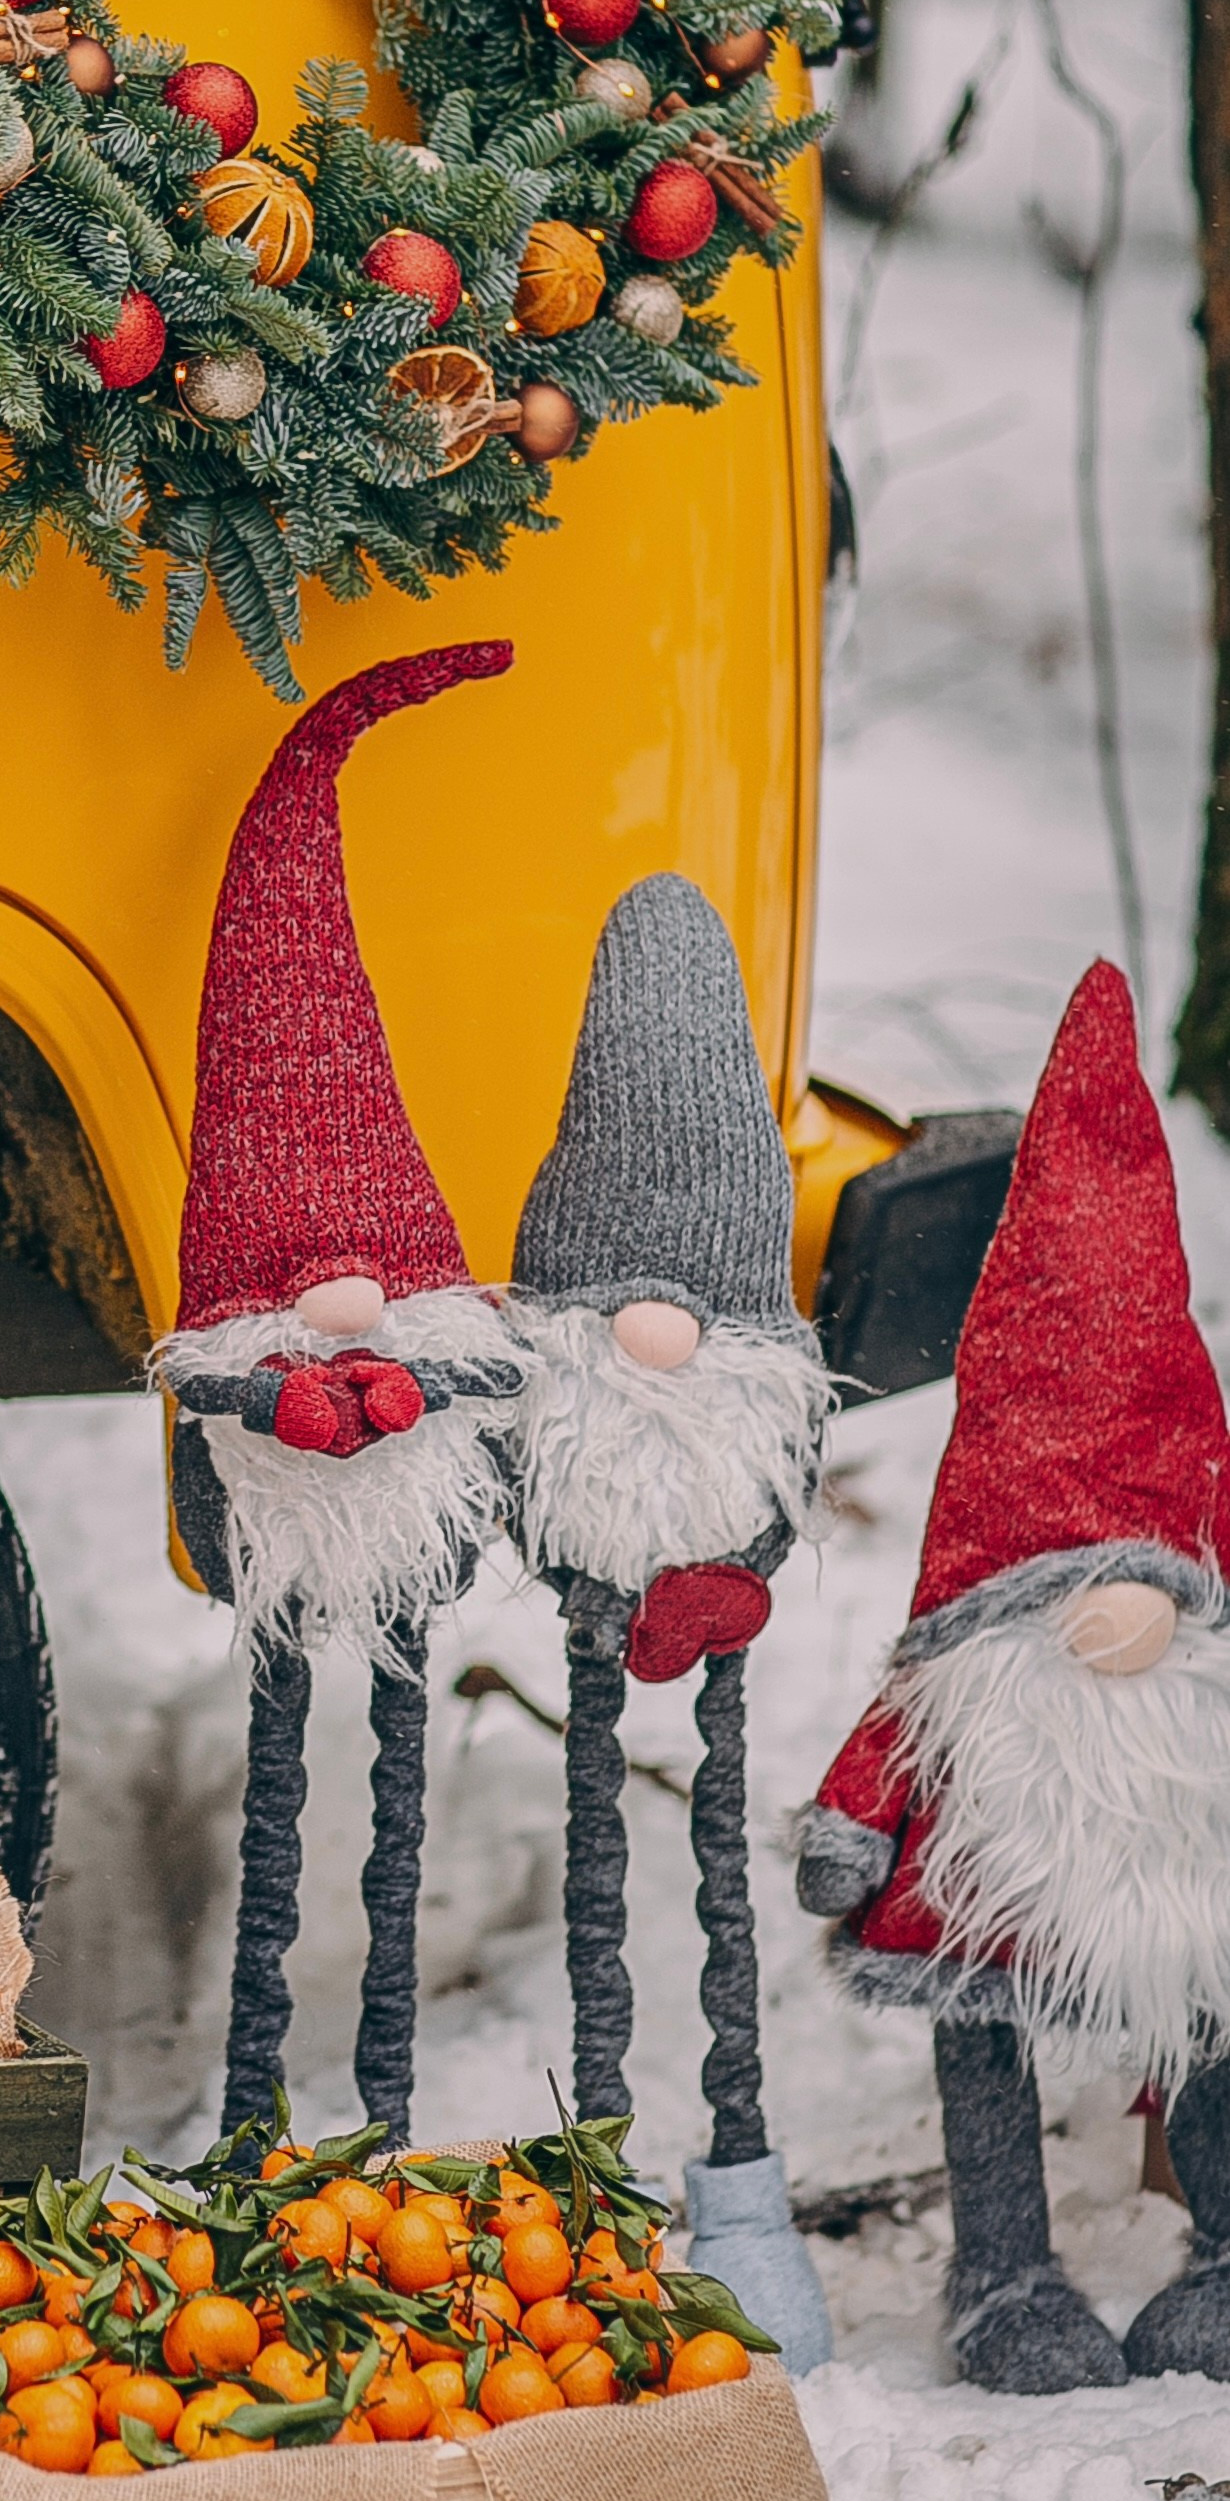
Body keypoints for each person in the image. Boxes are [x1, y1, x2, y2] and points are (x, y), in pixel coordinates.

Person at [798, 962, 1230, 2390]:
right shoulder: (964, 1677)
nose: (1102, 1619)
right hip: (992, 1870)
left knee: (1202, 1988)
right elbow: (889, 1741)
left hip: (1167, 1856)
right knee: (977, 2020)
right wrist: (847, 1829)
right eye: (1054, 1580)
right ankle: (1002, 2277)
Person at [154, 646, 523, 2141]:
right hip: (281, 1525)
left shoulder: (437, 1351)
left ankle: (384, 2114)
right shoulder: (234, 1379)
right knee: (278, 1792)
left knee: (396, 1804)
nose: (343, 1294)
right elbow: (222, 1413)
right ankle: (250, 2118)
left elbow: (473, 1379)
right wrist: (278, 1409)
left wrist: (396, 1396)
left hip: (393, 1535)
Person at [503, 875, 834, 2360]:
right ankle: (599, 2199)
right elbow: (524, 1489)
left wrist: (732, 1571)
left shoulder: (759, 1400)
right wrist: (590, 1587)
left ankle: (744, 2196)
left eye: (688, 1293)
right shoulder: (562, 1408)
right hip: (601, 1617)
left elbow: (783, 1481)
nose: (658, 1325)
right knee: (595, 1886)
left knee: (720, 1894)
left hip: (711, 1618)